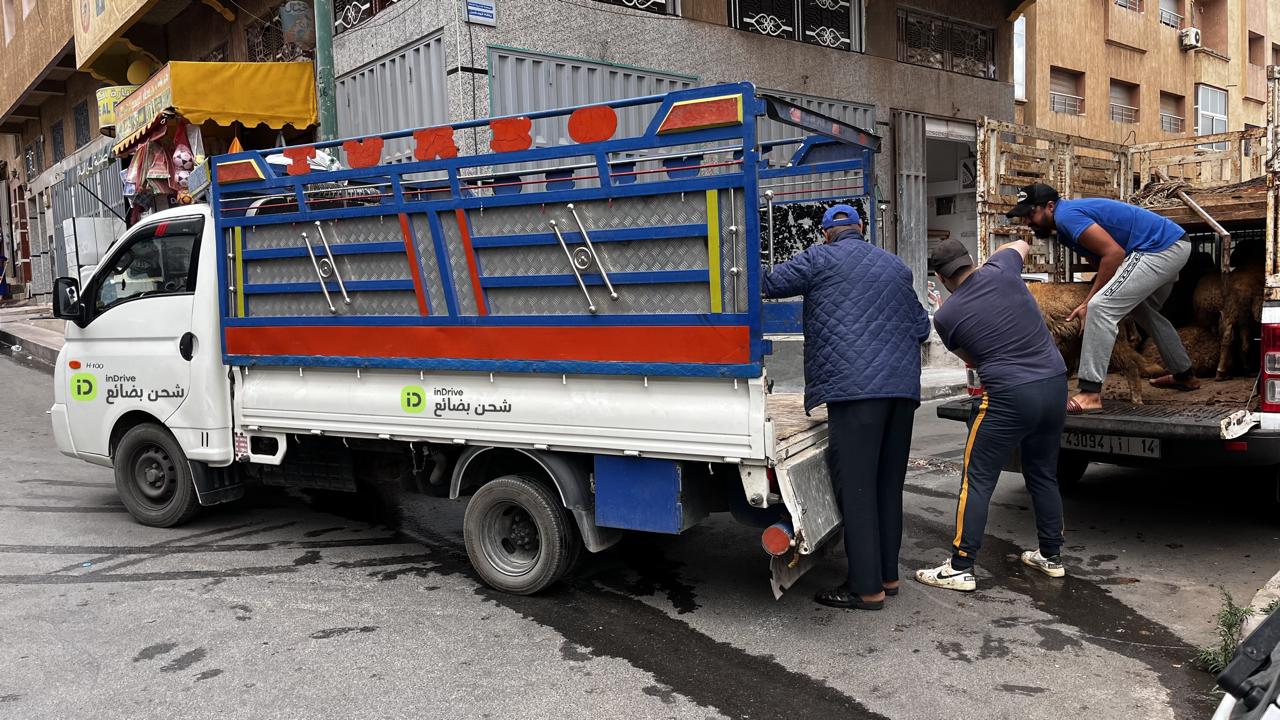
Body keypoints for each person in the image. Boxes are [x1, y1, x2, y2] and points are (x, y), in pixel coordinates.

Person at [763, 204, 930, 610]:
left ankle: (866, 589)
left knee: (857, 489)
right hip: (901, 392)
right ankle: (887, 576)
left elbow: (768, 283)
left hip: (854, 393)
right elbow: (922, 327)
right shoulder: (895, 266)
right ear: (862, 228)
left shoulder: (818, 259)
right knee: (887, 486)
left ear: (826, 234)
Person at [916, 238, 1069, 592]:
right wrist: (994, 265)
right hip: (1055, 384)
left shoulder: (946, 317)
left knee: (978, 478)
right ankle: (1051, 556)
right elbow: (1021, 243)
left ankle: (960, 566)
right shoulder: (1002, 269)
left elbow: (973, 359)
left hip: (1010, 396)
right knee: (1043, 473)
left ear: (941, 279)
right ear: (971, 260)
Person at [1007, 183, 1198, 413]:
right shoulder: (1064, 228)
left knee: (1100, 307)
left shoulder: (1067, 216)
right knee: (1143, 311)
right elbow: (1100, 260)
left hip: (1160, 247)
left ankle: (1090, 393)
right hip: (1173, 244)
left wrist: (1088, 301)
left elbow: (1114, 254)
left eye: (1031, 213)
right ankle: (1184, 374)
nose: (1028, 221)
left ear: (1049, 206)